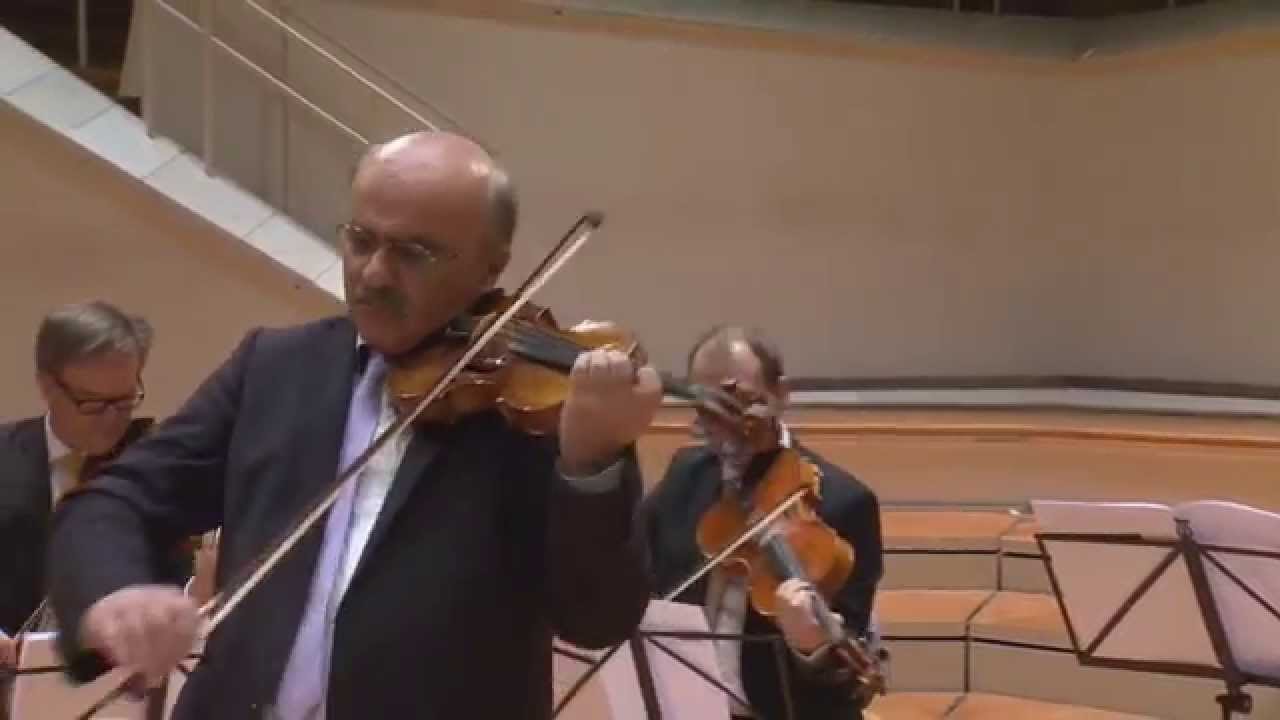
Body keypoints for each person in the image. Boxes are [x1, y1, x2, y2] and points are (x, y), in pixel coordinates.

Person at [46, 131, 662, 720]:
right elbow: (114, 501)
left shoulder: (543, 406)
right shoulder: (275, 368)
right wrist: (112, 595)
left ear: (491, 266)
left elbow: (597, 617)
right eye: (362, 240)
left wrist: (590, 465)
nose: (373, 274)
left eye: (414, 253)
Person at [640, 325, 884, 720]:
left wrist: (811, 647)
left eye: (742, 404)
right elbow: (632, 572)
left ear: (781, 394)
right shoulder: (685, 475)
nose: (726, 426)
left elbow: (844, 689)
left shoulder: (845, 503)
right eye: (709, 410)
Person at [0, 301, 179, 668]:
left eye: (125, 401)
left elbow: (175, 580)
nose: (112, 420)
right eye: (93, 403)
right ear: (47, 385)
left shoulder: (152, 469)